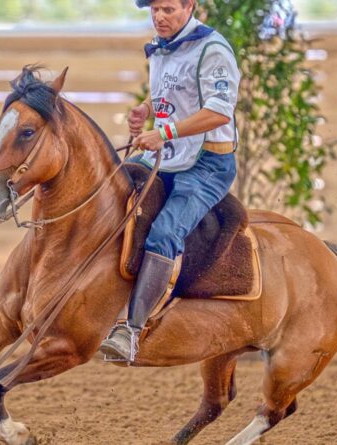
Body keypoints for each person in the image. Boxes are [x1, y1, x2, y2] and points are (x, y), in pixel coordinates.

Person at [99, 0, 240, 363]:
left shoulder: (213, 49)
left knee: (165, 232)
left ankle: (130, 332)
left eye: (168, 9)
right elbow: (176, 87)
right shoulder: (163, 45)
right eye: (154, 10)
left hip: (206, 163)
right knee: (109, 196)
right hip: (171, 154)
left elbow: (218, 111)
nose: (159, 17)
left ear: (189, 6)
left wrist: (164, 131)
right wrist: (147, 108)